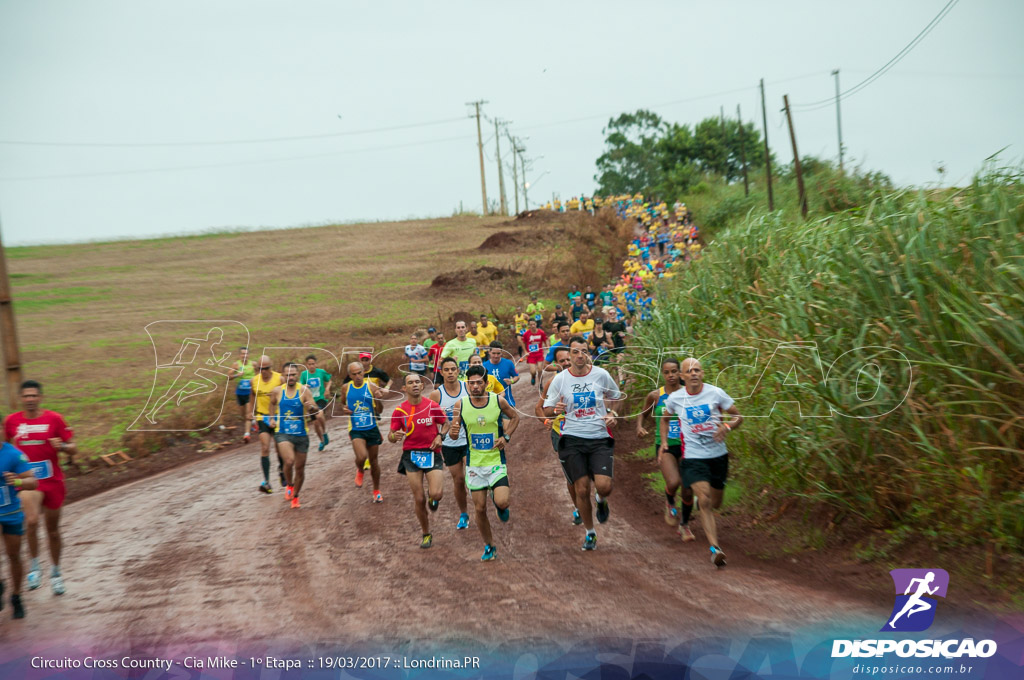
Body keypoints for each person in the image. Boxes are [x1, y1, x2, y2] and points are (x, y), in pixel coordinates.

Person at [659, 358, 743, 568]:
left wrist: (727, 427)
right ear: (683, 376)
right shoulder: (676, 398)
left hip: (718, 456)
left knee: (715, 502)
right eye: (689, 371)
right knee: (705, 500)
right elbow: (664, 419)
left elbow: (738, 416)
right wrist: (663, 443)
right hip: (693, 457)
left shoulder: (716, 393)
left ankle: (700, 503)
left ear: (702, 373)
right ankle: (715, 549)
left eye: (697, 370)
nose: (694, 373)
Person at [542, 337, 623, 551]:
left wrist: (613, 413)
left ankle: (601, 500)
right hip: (572, 440)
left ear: (589, 353)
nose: (580, 355)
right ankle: (590, 532)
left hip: (599, 438)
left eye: (584, 351)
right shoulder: (560, 380)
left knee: (604, 486)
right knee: (581, 489)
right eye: (575, 352)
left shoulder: (601, 375)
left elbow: (617, 396)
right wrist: (555, 410)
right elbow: (546, 409)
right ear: (569, 355)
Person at [3, 380, 76, 595]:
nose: (30, 400)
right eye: (26, 396)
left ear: (40, 398)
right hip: (28, 482)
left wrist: (62, 446)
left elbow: (74, 448)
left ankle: (56, 572)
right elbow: (4, 445)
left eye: (34, 396)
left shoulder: (54, 419)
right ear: (21, 399)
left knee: (52, 531)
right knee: (32, 520)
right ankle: (35, 566)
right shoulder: (12, 421)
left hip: (52, 482)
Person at [449, 365, 520, 561]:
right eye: (471, 383)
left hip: (496, 461)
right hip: (474, 464)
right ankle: (489, 545)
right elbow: (454, 432)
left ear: (486, 384)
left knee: (503, 501)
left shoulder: (498, 400)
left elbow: (515, 417)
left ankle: (500, 506)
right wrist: (453, 433)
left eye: (479, 382)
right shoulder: (460, 405)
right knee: (479, 508)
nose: (475, 386)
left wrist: (505, 437)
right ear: (467, 384)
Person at [389, 374, 449, 549]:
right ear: (404, 388)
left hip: (432, 452)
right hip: (411, 455)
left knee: (436, 494)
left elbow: (445, 423)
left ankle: (434, 500)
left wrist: (440, 436)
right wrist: (394, 436)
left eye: (417, 382)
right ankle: (426, 533)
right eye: (410, 383)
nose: (414, 385)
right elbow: (391, 436)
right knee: (419, 498)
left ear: (422, 386)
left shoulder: (432, 406)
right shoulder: (399, 410)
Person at [637, 358, 694, 539]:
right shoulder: (656, 395)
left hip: (688, 446)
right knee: (673, 482)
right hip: (665, 445)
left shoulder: (690, 393)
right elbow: (643, 414)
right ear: (663, 374)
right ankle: (670, 501)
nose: (671, 375)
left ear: (680, 373)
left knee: (687, 488)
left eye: (674, 371)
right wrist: (640, 427)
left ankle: (684, 525)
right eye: (667, 372)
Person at [536, 346, 581, 525]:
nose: (566, 363)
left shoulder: (586, 378)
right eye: (561, 361)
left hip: (584, 430)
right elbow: (538, 408)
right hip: (561, 432)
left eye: (567, 359)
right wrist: (546, 420)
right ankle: (578, 508)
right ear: (556, 364)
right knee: (571, 474)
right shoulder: (553, 382)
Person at [269, 365, 322, 508]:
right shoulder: (277, 391)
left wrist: (311, 408)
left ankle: (296, 497)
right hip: (283, 433)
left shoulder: (304, 390)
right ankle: (289, 485)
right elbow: (272, 404)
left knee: (300, 468)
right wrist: (272, 418)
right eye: (287, 375)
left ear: (297, 375)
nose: (290, 377)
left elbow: (316, 408)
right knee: (289, 460)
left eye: (293, 374)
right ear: (283, 376)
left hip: (301, 434)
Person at [428, 357, 471, 530]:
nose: (451, 372)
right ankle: (464, 514)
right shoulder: (436, 394)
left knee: (470, 476)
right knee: (459, 480)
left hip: (469, 441)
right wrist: (436, 437)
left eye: (453, 369)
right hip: (449, 444)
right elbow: (430, 420)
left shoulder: (467, 387)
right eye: (447, 370)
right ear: (442, 372)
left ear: (458, 371)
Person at [339, 361, 388, 501]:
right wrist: (344, 409)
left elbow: (379, 410)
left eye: (359, 373)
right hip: (356, 429)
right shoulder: (345, 388)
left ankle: (376, 490)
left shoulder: (371, 387)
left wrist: (377, 399)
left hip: (371, 427)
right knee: (361, 457)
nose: (358, 376)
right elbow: (343, 403)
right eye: (354, 374)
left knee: (374, 461)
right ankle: (360, 469)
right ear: (350, 375)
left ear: (363, 372)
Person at [1, 440, 37, 619]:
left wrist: (16, 480)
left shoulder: (14, 454)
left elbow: (33, 482)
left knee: (14, 555)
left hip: (12, 513)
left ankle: (16, 596)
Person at [248, 356, 283, 493]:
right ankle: (267, 482)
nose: (264, 371)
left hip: (278, 416)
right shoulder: (254, 381)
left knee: (280, 447)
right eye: (261, 368)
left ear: (271, 367)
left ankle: (282, 469)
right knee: (265, 447)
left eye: (267, 368)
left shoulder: (279, 379)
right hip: (262, 417)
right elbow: (252, 396)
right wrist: (250, 411)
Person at [300, 354, 333, 451]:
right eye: (309, 364)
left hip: (321, 398)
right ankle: (322, 441)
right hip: (310, 401)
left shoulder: (321, 372)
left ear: (316, 364)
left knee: (319, 415)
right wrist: (304, 385)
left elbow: (329, 380)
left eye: (313, 364)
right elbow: (300, 386)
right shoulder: (304, 374)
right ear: (306, 365)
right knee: (315, 423)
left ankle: (324, 432)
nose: (311, 366)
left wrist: (327, 388)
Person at [228, 347, 256, 442]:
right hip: (240, 393)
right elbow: (229, 377)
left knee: (248, 414)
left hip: (250, 393)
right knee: (243, 415)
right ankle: (253, 422)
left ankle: (247, 434)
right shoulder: (236, 365)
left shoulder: (253, 364)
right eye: (243, 354)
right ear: (239, 355)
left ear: (249, 355)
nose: (245, 356)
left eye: (246, 354)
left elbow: (261, 372)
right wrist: (237, 375)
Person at [482, 341, 519, 407]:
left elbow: (516, 376)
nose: (496, 356)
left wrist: (512, 381)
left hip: (507, 401)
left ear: (501, 353)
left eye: (498, 353)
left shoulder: (508, 363)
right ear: (489, 352)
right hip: (490, 403)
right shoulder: (484, 366)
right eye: (493, 353)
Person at [519, 318, 548, 387]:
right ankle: (533, 376)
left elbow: (545, 340)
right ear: (528, 326)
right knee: (533, 371)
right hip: (531, 355)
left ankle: (541, 384)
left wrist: (547, 346)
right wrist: (525, 351)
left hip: (539, 354)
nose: (532, 326)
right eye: (531, 325)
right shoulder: (526, 334)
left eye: (534, 324)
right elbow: (522, 342)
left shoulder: (541, 332)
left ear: (536, 324)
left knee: (540, 369)